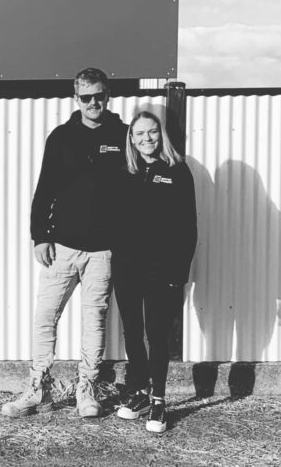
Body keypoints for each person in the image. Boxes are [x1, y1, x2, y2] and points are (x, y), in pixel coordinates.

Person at [2, 67, 128, 419]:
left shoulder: (124, 134)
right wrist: (40, 236)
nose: (93, 103)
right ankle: (37, 388)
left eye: (98, 96)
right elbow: (45, 190)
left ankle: (86, 390)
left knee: (95, 319)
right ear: (77, 99)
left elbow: (133, 192)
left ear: (107, 96)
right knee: (45, 316)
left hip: (103, 250)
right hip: (63, 246)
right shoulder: (60, 137)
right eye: (86, 97)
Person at [112, 110, 197, 434]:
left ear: (161, 135)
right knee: (132, 332)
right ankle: (140, 393)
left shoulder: (177, 170)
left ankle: (159, 401)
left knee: (157, 335)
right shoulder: (124, 172)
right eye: (139, 134)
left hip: (163, 268)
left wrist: (180, 270)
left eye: (152, 132)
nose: (146, 139)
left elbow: (189, 227)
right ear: (131, 140)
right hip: (128, 266)